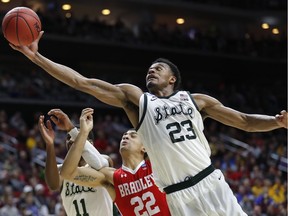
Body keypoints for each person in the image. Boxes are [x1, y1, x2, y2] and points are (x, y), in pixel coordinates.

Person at [10, 32, 287, 215]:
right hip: (177, 198)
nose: (151, 69)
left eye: (159, 67)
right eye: (149, 68)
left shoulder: (197, 101)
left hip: (211, 183)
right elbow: (82, 82)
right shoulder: (137, 100)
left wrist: (276, 122)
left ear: (172, 79)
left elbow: (246, 122)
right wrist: (36, 57)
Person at [55, 107, 171, 215]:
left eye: (133, 136)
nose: (126, 137)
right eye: (124, 135)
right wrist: (79, 132)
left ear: (144, 147)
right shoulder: (113, 177)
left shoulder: (155, 165)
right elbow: (67, 173)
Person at [38, 109, 114, 216]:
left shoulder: (104, 160)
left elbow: (98, 162)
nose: (70, 140)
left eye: (74, 136)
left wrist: (76, 131)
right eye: (68, 138)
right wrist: (50, 145)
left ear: (90, 143)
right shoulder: (61, 169)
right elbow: (52, 185)